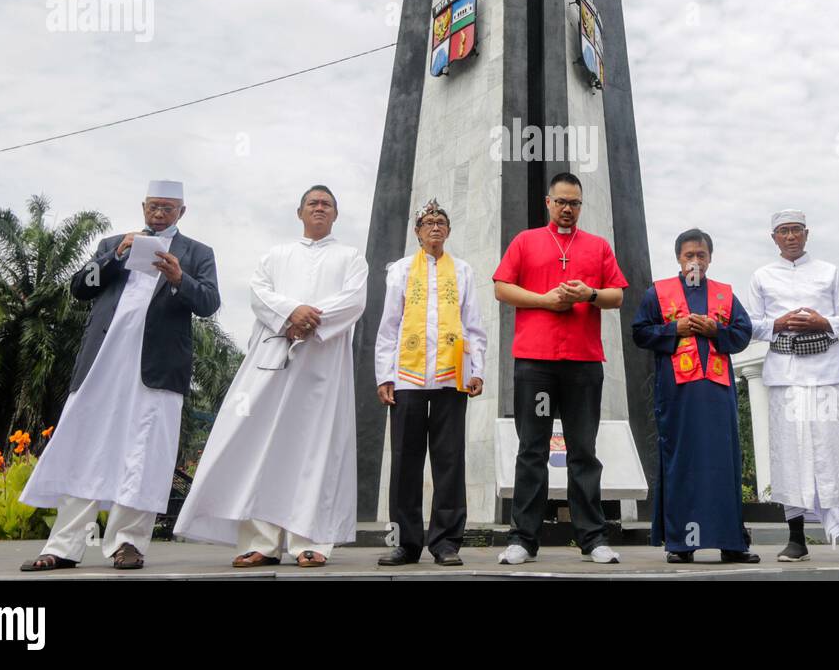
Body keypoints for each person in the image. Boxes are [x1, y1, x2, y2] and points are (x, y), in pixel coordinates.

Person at [20, 180, 220, 572]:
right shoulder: (114, 243)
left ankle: (127, 544)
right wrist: (116, 254)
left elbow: (209, 303)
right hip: (103, 363)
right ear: (143, 206)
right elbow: (81, 288)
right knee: (85, 447)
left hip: (157, 369)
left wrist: (180, 278)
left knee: (143, 454)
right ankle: (63, 546)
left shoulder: (197, 253)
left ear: (182, 211)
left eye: (167, 206)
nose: (159, 212)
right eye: (153, 205)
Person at [172, 185, 367, 567]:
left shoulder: (351, 257)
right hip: (275, 356)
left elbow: (354, 299)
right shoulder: (277, 255)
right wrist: (291, 314)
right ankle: (261, 541)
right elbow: (258, 294)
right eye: (313, 203)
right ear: (299, 212)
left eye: (326, 204)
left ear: (336, 215)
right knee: (265, 446)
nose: (319, 208)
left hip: (323, 366)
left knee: (315, 450)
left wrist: (311, 320)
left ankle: (309, 541)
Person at [492, 172, 628, 564]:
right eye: (561, 201)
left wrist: (590, 294)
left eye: (575, 203)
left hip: (584, 364)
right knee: (531, 449)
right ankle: (522, 539)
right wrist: (545, 300)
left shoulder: (598, 246)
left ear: (581, 206)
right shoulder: (526, 241)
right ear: (548, 203)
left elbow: (616, 295)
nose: (568, 209)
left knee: (583, 450)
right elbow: (502, 287)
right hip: (536, 363)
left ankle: (593, 538)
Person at [744, 209, 839, 563]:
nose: (790, 237)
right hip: (785, 375)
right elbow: (750, 325)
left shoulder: (829, 271)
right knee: (791, 454)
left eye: (796, 230)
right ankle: (796, 539)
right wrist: (778, 323)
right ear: (773, 237)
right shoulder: (762, 276)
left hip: (829, 372)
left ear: (806, 234)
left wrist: (824, 321)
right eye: (783, 231)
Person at [632, 228, 758, 564]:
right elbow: (640, 332)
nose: (695, 261)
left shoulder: (724, 294)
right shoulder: (658, 293)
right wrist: (676, 329)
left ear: (711, 258)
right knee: (681, 461)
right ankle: (681, 544)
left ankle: (732, 542)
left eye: (701, 255)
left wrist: (717, 331)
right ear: (678, 258)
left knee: (724, 462)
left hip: (718, 395)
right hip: (677, 394)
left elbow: (744, 333)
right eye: (689, 255)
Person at [373, 199, 487, 566]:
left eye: (441, 222)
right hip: (407, 376)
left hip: (451, 377)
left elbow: (474, 325)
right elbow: (390, 324)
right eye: (428, 222)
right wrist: (384, 375)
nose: (435, 227)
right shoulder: (401, 270)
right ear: (417, 232)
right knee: (405, 460)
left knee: (449, 460)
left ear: (448, 231)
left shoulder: (464, 271)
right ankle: (406, 543)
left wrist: (477, 369)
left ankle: (446, 542)